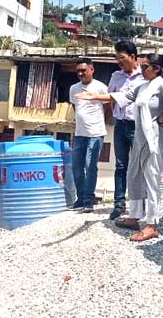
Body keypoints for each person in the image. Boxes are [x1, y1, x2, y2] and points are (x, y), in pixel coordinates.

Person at [77, 54, 163, 241]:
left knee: (151, 179)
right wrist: (95, 96)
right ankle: (134, 216)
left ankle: (151, 224)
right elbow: (123, 96)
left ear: (156, 68)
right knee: (134, 174)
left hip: (154, 138)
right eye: (141, 66)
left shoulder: (162, 84)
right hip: (140, 138)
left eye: (145, 67)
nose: (141, 70)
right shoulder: (142, 86)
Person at [107, 40, 146, 220]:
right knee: (120, 165)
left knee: (139, 166)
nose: (119, 62)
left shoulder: (144, 76)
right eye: (117, 59)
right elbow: (110, 97)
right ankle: (119, 204)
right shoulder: (116, 76)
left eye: (122, 58)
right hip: (120, 124)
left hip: (138, 126)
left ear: (133, 57)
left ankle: (140, 204)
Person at [69, 58, 109, 213]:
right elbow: (75, 107)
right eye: (78, 71)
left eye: (83, 70)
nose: (80, 74)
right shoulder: (74, 88)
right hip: (79, 134)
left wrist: (97, 122)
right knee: (76, 167)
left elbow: (108, 106)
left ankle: (88, 200)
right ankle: (80, 199)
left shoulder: (100, 87)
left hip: (96, 134)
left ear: (92, 69)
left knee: (90, 166)